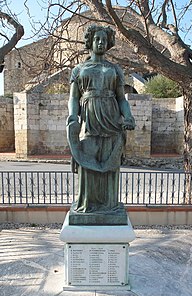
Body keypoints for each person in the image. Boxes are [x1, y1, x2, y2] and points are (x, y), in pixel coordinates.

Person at [67, 24, 135, 213]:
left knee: (110, 162)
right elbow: (73, 97)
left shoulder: (114, 69)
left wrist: (128, 116)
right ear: (90, 41)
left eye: (104, 40)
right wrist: (73, 116)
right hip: (88, 120)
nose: (100, 42)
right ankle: (88, 204)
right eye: (97, 39)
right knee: (87, 160)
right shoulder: (79, 69)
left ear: (108, 44)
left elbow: (122, 98)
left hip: (112, 119)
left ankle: (108, 205)